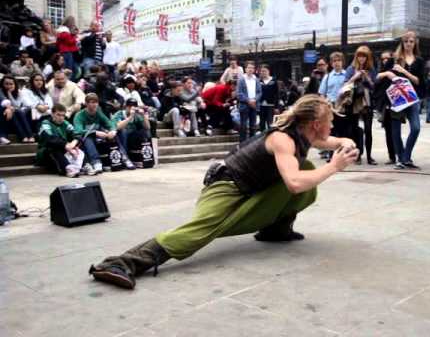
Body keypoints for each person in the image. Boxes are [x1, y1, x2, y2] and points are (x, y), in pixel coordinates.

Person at [88, 94, 359, 289]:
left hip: (246, 187)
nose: (332, 126)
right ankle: (122, 263)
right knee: (200, 232)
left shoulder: (306, 134)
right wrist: (335, 166)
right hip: (226, 187)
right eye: (330, 121)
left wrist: (345, 143)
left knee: (308, 169)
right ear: (315, 123)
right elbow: (294, 183)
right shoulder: (283, 139)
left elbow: (331, 140)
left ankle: (275, 231)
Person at [384, 31, 425, 170]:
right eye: (406, 41)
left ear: (415, 43)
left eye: (411, 41)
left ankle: (406, 156)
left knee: (416, 128)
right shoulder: (394, 59)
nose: (408, 44)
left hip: (413, 98)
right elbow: (381, 74)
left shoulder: (419, 60)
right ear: (402, 43)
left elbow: (419, 81)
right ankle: (400, 159)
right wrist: (389, 73)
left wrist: (404, 71)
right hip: (398, 98)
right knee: (395, 130)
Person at [344, 45, 378, 165]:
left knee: (368, 130)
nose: (361, 58)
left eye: (364, 56)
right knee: (354, 130)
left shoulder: (372, 69)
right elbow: (345, 84)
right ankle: (357, 156)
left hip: (367, 102)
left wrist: (367, 77)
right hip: (354, 102)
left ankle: (369, 156)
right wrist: (356, 76)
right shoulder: (351, 68)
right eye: (359, 56)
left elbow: (375, 86)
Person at [73, 93, 117, 175]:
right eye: (92, 102)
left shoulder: (98, 112)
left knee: (113, 136)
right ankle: (96, 163)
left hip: (97, 137)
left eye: (96, 102)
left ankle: (117, 160)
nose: (94, 104)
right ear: (86, 103)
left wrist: (112, 131)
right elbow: (78, 131)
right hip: (82, 140)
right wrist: (95, 132)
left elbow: (109, 123)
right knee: (88, 138)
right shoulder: (79, 115)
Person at [36, 103, 83, 177]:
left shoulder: (65, 123)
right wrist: (66, 145)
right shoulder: (45, 123)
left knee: (78, 145)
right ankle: (68, 168)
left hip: (63, 151)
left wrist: (73, 143)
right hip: (45, 153)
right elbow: (50, 139)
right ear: (52, 114)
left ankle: (84, 165)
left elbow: (77, 134)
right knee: (54, 147)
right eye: (58, 115)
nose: (61, 118)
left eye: (63, 115)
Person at [319, 52, 347, 161]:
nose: (336, 63)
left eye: (338, 60)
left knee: (343, 131)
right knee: (331, 131)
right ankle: (331, 155)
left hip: (343, 107)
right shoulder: (327, 77)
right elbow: (322, 93)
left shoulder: (347, 75)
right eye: (334, 61)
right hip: (330, 106)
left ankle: (342, 155)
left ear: (342, 62)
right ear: (331, 63)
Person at [112, 98, 151, 170]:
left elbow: (148, 127)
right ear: (126, 106)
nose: (131, 108)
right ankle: (125, 158)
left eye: (133, 106)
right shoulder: (119, 114)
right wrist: (130, 117)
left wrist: (143, 116)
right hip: (121, 137)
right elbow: (118, 127)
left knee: (144, 131)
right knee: (123, 132)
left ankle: (141, 158)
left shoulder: (137, 115)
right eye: (129, 106)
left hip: (132, 138)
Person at [374, 50, 397, 165]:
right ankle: (392, 156)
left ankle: (401, 155)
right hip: (385, 105)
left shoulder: (396, 70)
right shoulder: (381, 72)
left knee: (396, 132)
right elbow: (376, 83)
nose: (385, 61)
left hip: (397, 104)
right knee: (388, 131)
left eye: (387, 58)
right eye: (383, 59)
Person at [0, 75, 35, 143]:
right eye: (6, 84)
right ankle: (26, 136)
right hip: (5, 118)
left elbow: (17, 105)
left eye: (11, 84)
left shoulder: (19, 92)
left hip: (16, 117)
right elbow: (4, 102)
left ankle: (28, 136)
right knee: (17, 111)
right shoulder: (0, 91)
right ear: (2, 84)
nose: (9, 86)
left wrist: (9, 94)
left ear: (15, 84)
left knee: (19, 111)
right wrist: (9, 108)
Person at [237, 61, 261, 142]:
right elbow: (239, 93)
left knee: (253, 126)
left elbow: (259, 92)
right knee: (243, 125)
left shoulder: (256, 79)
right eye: (249, 68)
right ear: (245, 69)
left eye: (252, 68)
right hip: (244, 105)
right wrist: (248, 101)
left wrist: (254, 100)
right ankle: (242, 143)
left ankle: (252, 143)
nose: (250, 69)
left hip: (254, 105)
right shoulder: (241, 80)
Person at [259, 64, 279, 131]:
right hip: (261, 105)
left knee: (270, 122)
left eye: (264, 71)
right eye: (261, 71)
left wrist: (276, 106)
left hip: (271, 105)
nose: (263, 73)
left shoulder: (273, 81)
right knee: (262, 123)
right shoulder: (259, 81)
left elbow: (277, 94)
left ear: (268, 71)